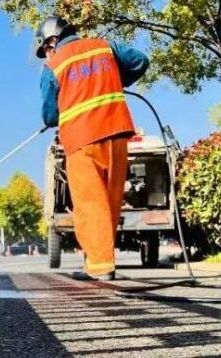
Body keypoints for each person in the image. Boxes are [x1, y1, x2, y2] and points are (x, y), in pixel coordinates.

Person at [36, 16, 149, 281]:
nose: (48, 54)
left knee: (90, 203)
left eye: (46, 48)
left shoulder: (53, 66)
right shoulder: (103, 46)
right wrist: (114, 80)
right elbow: (141, 60)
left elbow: (50, 116)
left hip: (82, 139)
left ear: (53, 39)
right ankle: (100, 261)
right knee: (109, 200)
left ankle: (100, 266)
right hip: (118, 132)